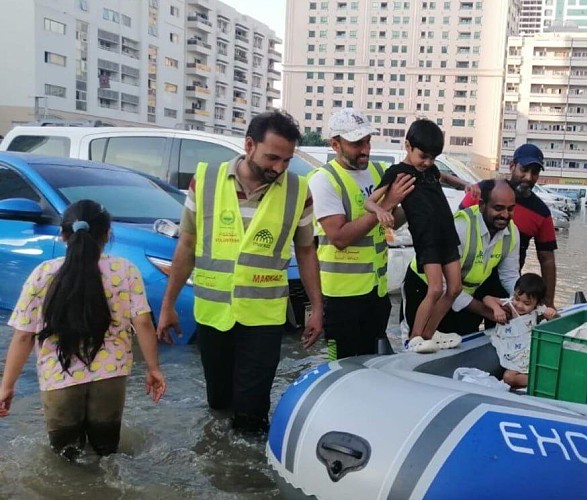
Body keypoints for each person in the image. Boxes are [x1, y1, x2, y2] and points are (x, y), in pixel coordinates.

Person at [156, 110, 323, 435]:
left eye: (286, 160)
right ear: (249, 144)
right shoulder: (204, 181)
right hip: (213, 314)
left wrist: (316, 308)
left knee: (252, 411)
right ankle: (217, 467)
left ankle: (247, 476)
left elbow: (306, 251)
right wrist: (167, 307)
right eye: (272, 157)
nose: (279, 168)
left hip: (264, 318)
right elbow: (186, 246)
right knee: (219, 402)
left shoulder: (297, 191)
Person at [0, 200, 166, 459]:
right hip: (109, 377)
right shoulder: (126, 271)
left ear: (63, 235)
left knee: (65, 461)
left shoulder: (43, 273)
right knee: (108, 456)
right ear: (107, 234)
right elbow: (143, 323)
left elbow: (23, 335)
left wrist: (7, 386)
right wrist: (154, 368)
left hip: (59, 379)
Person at [308, 108, 415, 360]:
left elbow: (392, 223)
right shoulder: (323, 180)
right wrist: (387, 204)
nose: (365, 149)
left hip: (376, 293)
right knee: (342, 368)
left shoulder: (378, 172)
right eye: (357, 143)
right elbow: (340, 237)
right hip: (341, 297)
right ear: (335, 144)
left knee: (372, 365)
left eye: (367, 141)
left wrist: (414, 204)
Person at [365, 119, 469, 353]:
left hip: (447, 234)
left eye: (433, 158)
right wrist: (382, 210)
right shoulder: (398, 172)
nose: (428, 162)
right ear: (407, 146)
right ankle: (415, 338)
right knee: (434, 289)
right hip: (427, 238)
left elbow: (444, 177)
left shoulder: (430, 169)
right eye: (423, 156)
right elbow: (368, 201)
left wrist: (465, 184)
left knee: (454, 288)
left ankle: (430, 334)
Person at [403, 179, 520, 337]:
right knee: (417, 344)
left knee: (461, 344)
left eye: (510, 209)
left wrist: (523, 301)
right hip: (426, 289)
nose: (505, 215)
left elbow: (509, 275)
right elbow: (445, 286)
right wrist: (486, 311)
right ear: (482, 205)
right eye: (498, 208)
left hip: (463, 294)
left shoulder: (512, 233)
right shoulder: (461, 227)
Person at [460, 144, 557, 308]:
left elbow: (547, 260)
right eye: (524, 169)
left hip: (508, 284)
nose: (528, 177)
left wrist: (548, 303)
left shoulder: (542, 212)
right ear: (512, 166)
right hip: (470, 280)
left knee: (504, 329)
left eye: (535, 172)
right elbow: (456, 228)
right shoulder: (483, 190)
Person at [483, 273, 557, 389]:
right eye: (517, 298)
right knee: (508, 377)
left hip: (529, 353)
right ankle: (540, 379)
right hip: (513, 353)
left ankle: (544, 380)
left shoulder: (539, 311)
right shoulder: (510, 306)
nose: (519, 305)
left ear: (537, 303)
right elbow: (487, 298)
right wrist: (496, 309)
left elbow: (557, 321)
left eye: (527, 303)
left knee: (509, 378)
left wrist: (551, 314)